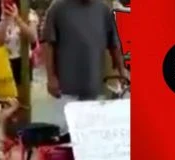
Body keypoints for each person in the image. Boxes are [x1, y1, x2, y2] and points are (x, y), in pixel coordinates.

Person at [42, 0, 129, 130]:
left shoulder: (103, 10)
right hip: (66, 89)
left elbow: (114, 44)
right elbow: (48, 44)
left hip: (95, 87)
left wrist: (122, 72)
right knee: (66, 133)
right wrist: (51, 77)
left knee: (92, 131)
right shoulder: (57, 8)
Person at [0, 0, 38, 90]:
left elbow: (33, 37)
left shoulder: (28, 14)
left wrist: (17, 18)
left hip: (23, 62)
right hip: (3, 62)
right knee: (5, 97)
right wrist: (5, 20)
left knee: (23, 96)